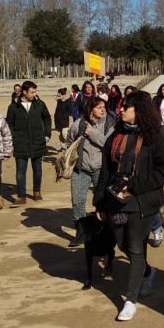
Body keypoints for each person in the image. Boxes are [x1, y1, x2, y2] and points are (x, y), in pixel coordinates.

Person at [93, 91, 164, 322]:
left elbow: (162, 172)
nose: (121, 110)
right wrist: (99, 201)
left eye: (126, 107)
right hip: (115, 199)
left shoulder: (154, 138)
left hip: (142, 201)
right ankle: (147, 271)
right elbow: (105, 171)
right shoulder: (115, 135)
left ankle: (131, 300)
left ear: (139, 111)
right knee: (122, 244)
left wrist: (135, 186)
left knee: (136, 247)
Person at [68, 96, 115, 246]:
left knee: (101, 202)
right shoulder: (79, 124)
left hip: (101, 169)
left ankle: (103, 230)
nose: (103, 110)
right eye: (99, 107)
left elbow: (108, 144)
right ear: (91, 109)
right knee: (77, 201)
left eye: (104, 107)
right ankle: (81, 231)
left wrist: (91, 133)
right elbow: (70, 139)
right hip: (81, 169)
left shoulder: (110, 124)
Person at [6, 81, 52, 204]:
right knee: (20, 171)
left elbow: (47, 118)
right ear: (24, 92)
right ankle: (21, 196)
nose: (34, 94)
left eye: (35, 91)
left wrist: (47, 134)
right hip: (20, 143)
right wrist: (14, 137)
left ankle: (37, 191)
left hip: (37, 141)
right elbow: (9, 123)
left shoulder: (40, 104)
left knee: (37, 170)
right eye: (32, 92)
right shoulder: (13, 107)